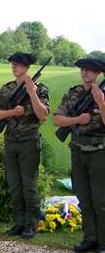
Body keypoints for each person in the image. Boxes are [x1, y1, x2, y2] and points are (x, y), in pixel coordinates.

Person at [0, 52, 49, 239]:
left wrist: (32, 93)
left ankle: (31, 224)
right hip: (10, 141)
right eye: (12, 64)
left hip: (29, 142)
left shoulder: (39, 89)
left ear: (27, 67)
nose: (14, 67)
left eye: (18, 64)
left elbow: (44, 115)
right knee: (14, 184)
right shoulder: (7, 89)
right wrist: (12, 112)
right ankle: (19, 222)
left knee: (29, 185)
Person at [53, 58, 105, 253]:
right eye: (82, 69)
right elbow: (57, 120)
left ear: (98, 73)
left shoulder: (103, 93)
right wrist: (77, 119)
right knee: (83, 197)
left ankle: (103, 241)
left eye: (90, 70)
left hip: (99, 151)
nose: (85, 72)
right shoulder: (73, 93)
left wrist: (101, 102)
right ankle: (90, 238)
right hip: (77, 150)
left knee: (100, 199)